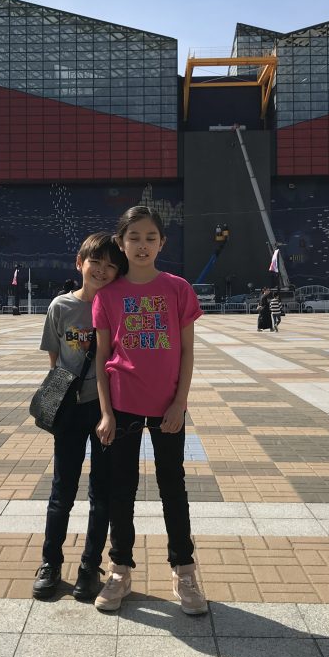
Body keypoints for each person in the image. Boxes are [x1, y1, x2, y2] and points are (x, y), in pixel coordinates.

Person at [92, 205, 208, 615]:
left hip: (167, 409)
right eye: (134, 237)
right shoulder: (108, 295)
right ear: (121, 243)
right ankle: (120, 569)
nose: (142, 245)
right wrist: (106, 413)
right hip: (122, 406)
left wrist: (179, 403)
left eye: (150, 238)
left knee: (172, 487)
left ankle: (184, 570)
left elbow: (188, 351)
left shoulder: (177, 288)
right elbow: (101, 358)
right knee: (120, 489)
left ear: (162, 243)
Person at [33, 233, 128, 601]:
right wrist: (61, 398)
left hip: (106, 409)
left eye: (110, 266)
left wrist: (109, 410)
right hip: (70, 409)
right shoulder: (60, 306)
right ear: (79, 263)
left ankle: (90, 566)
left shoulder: (117, 306)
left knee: (101, 492)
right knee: (63, 489)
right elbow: (54, 359)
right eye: (95, 263)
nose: (102, 271)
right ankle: (50, 562)